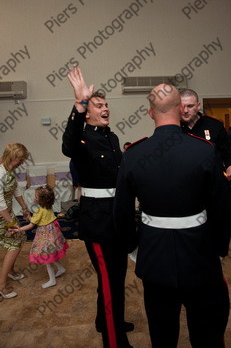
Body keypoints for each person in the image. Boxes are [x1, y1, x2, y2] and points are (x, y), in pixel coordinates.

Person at [114, 84, 231, 348]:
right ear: (181, 109)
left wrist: (135, 249)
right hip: (200, 256)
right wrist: (218, 249)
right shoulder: (203, 150)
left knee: (162, 335)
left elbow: (121, 212)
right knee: (206, 335)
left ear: (149, 112)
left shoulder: (134, 155)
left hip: (155, 257)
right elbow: (223, 209)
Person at [62, 67, 133, 348]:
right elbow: (68, 145)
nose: (105, 108)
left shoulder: (112, 138)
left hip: (117, 218)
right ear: (88, 113)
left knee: (116, 278)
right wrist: (79, 104)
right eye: (98, 105)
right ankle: (114, 340)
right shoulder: (81, 139)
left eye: (106, 104)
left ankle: (105, 321)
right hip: (98, 223)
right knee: (109, 281)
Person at [11, 185, 68, 288]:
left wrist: (19, 229)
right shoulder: (48, 207)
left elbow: (31, 225)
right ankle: (60, 268)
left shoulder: (39, 211)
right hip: (54, 234)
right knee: (52, 253)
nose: (34, 198)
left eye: (36, 197)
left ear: (41, 200)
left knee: (47, 258)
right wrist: (30, 218)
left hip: (46, 237)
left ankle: (52, 280)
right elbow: (36, 220)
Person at [180, 89, 231, 181]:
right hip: (184, 183)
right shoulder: (173, 128)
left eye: (190, 106)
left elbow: (228, 154)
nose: (185, 110)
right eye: (182, 106)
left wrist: (230, 167)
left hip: (212, 182)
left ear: (198, 106)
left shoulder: (214, 125)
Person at [0, 142, 30, 299]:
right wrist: (11, 223)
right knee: (15, 242)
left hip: (7, 212)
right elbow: (0, 203)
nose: (21, 163)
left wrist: (25, 209)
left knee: (18, 239)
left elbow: (16, 189)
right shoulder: (0, 173)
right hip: (1, 214)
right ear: (12, 157)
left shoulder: (9, 170)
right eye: (20, 159)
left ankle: (10, 271)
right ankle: (2, 286)